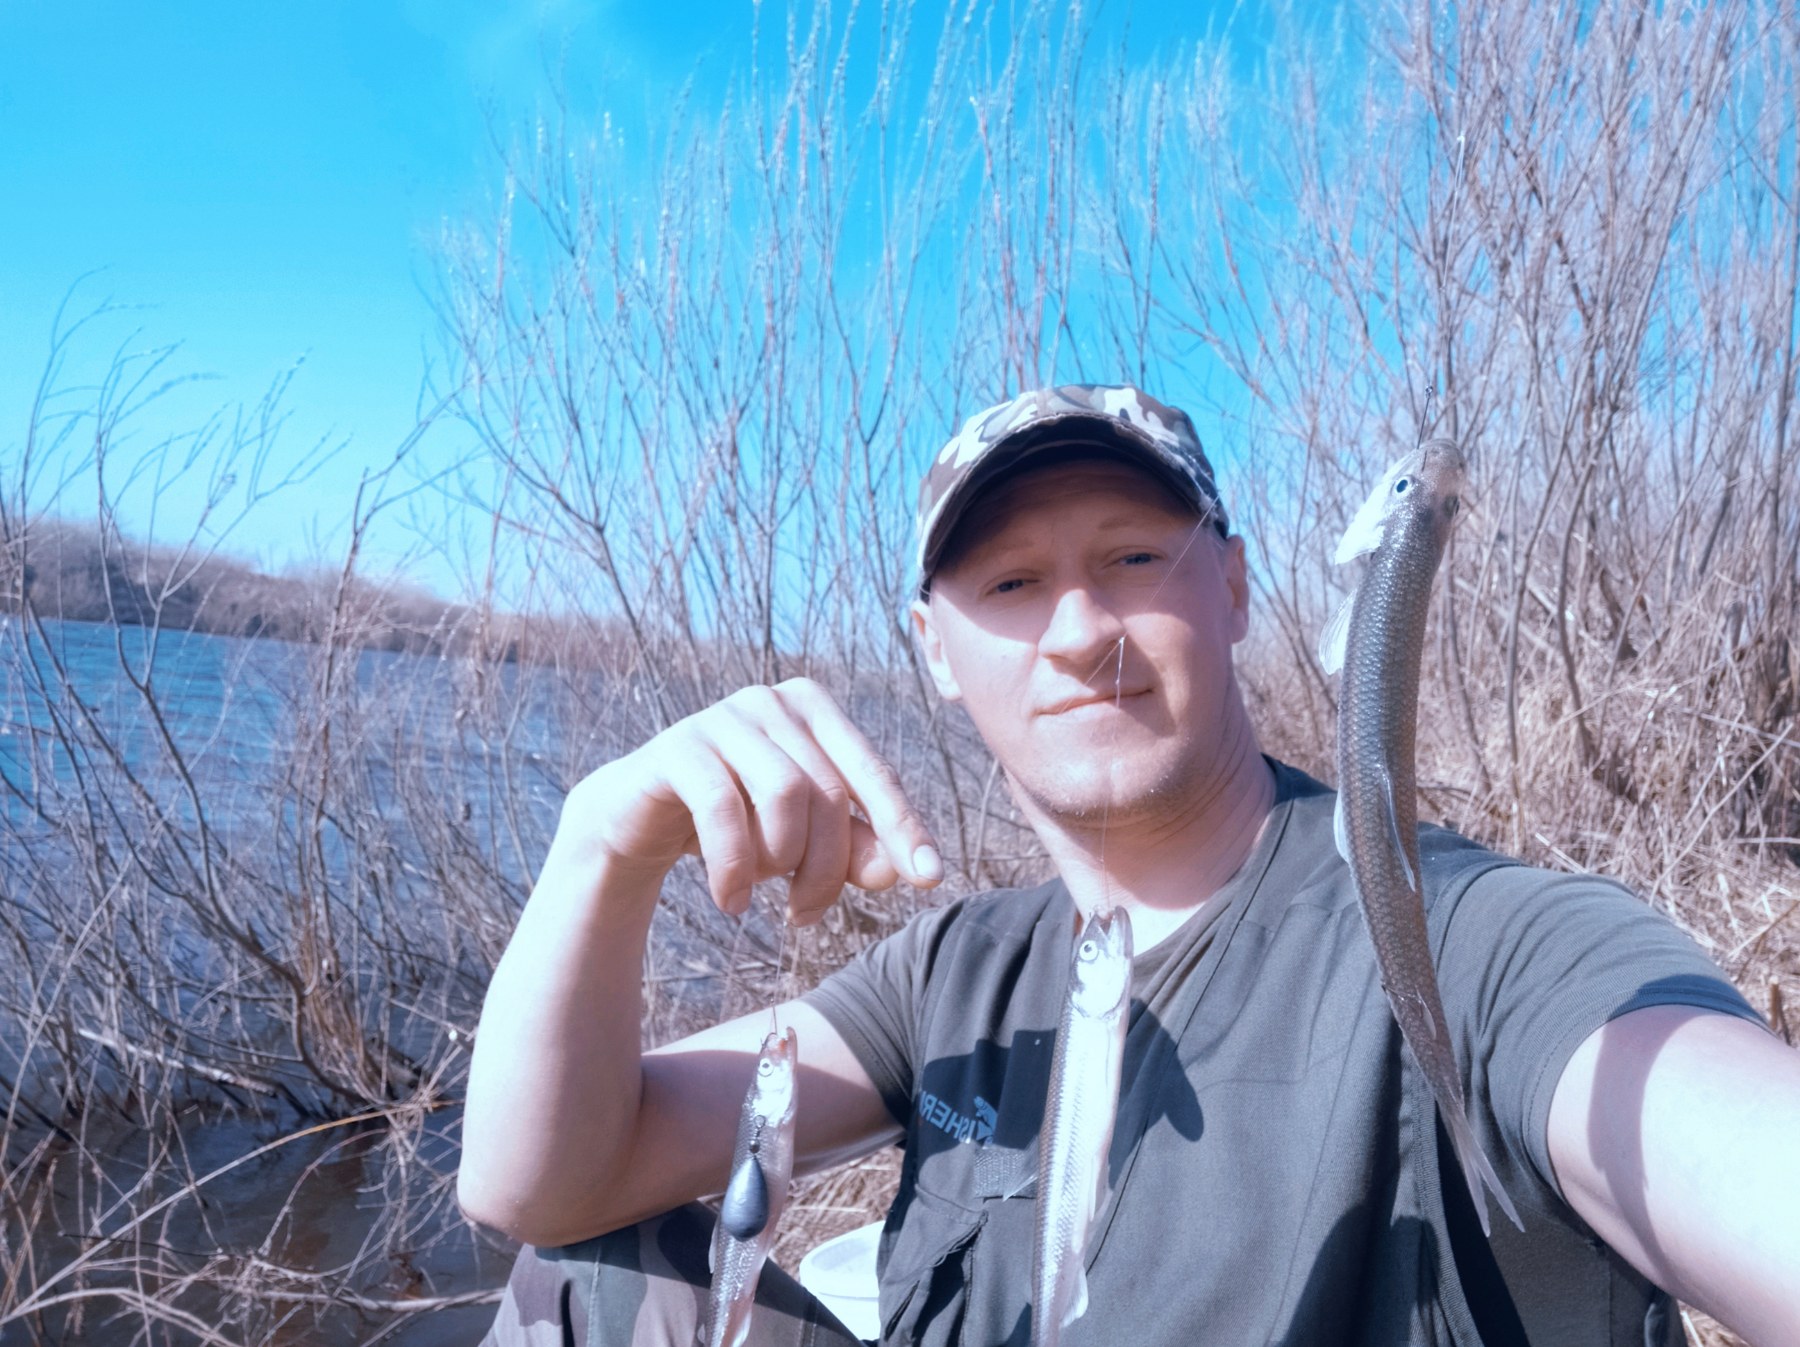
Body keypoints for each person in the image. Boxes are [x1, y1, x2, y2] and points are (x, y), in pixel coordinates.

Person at [459, 385, 1800, 1347]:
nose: (1081, 628)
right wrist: (602, 854)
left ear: (1235, 588)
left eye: (1135, 557)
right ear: (934, 649)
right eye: (1010, 585)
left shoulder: (1470, 937)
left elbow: (1723, 1144)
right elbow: (545, 1186)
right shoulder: (952, 978)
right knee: (591, 1283)